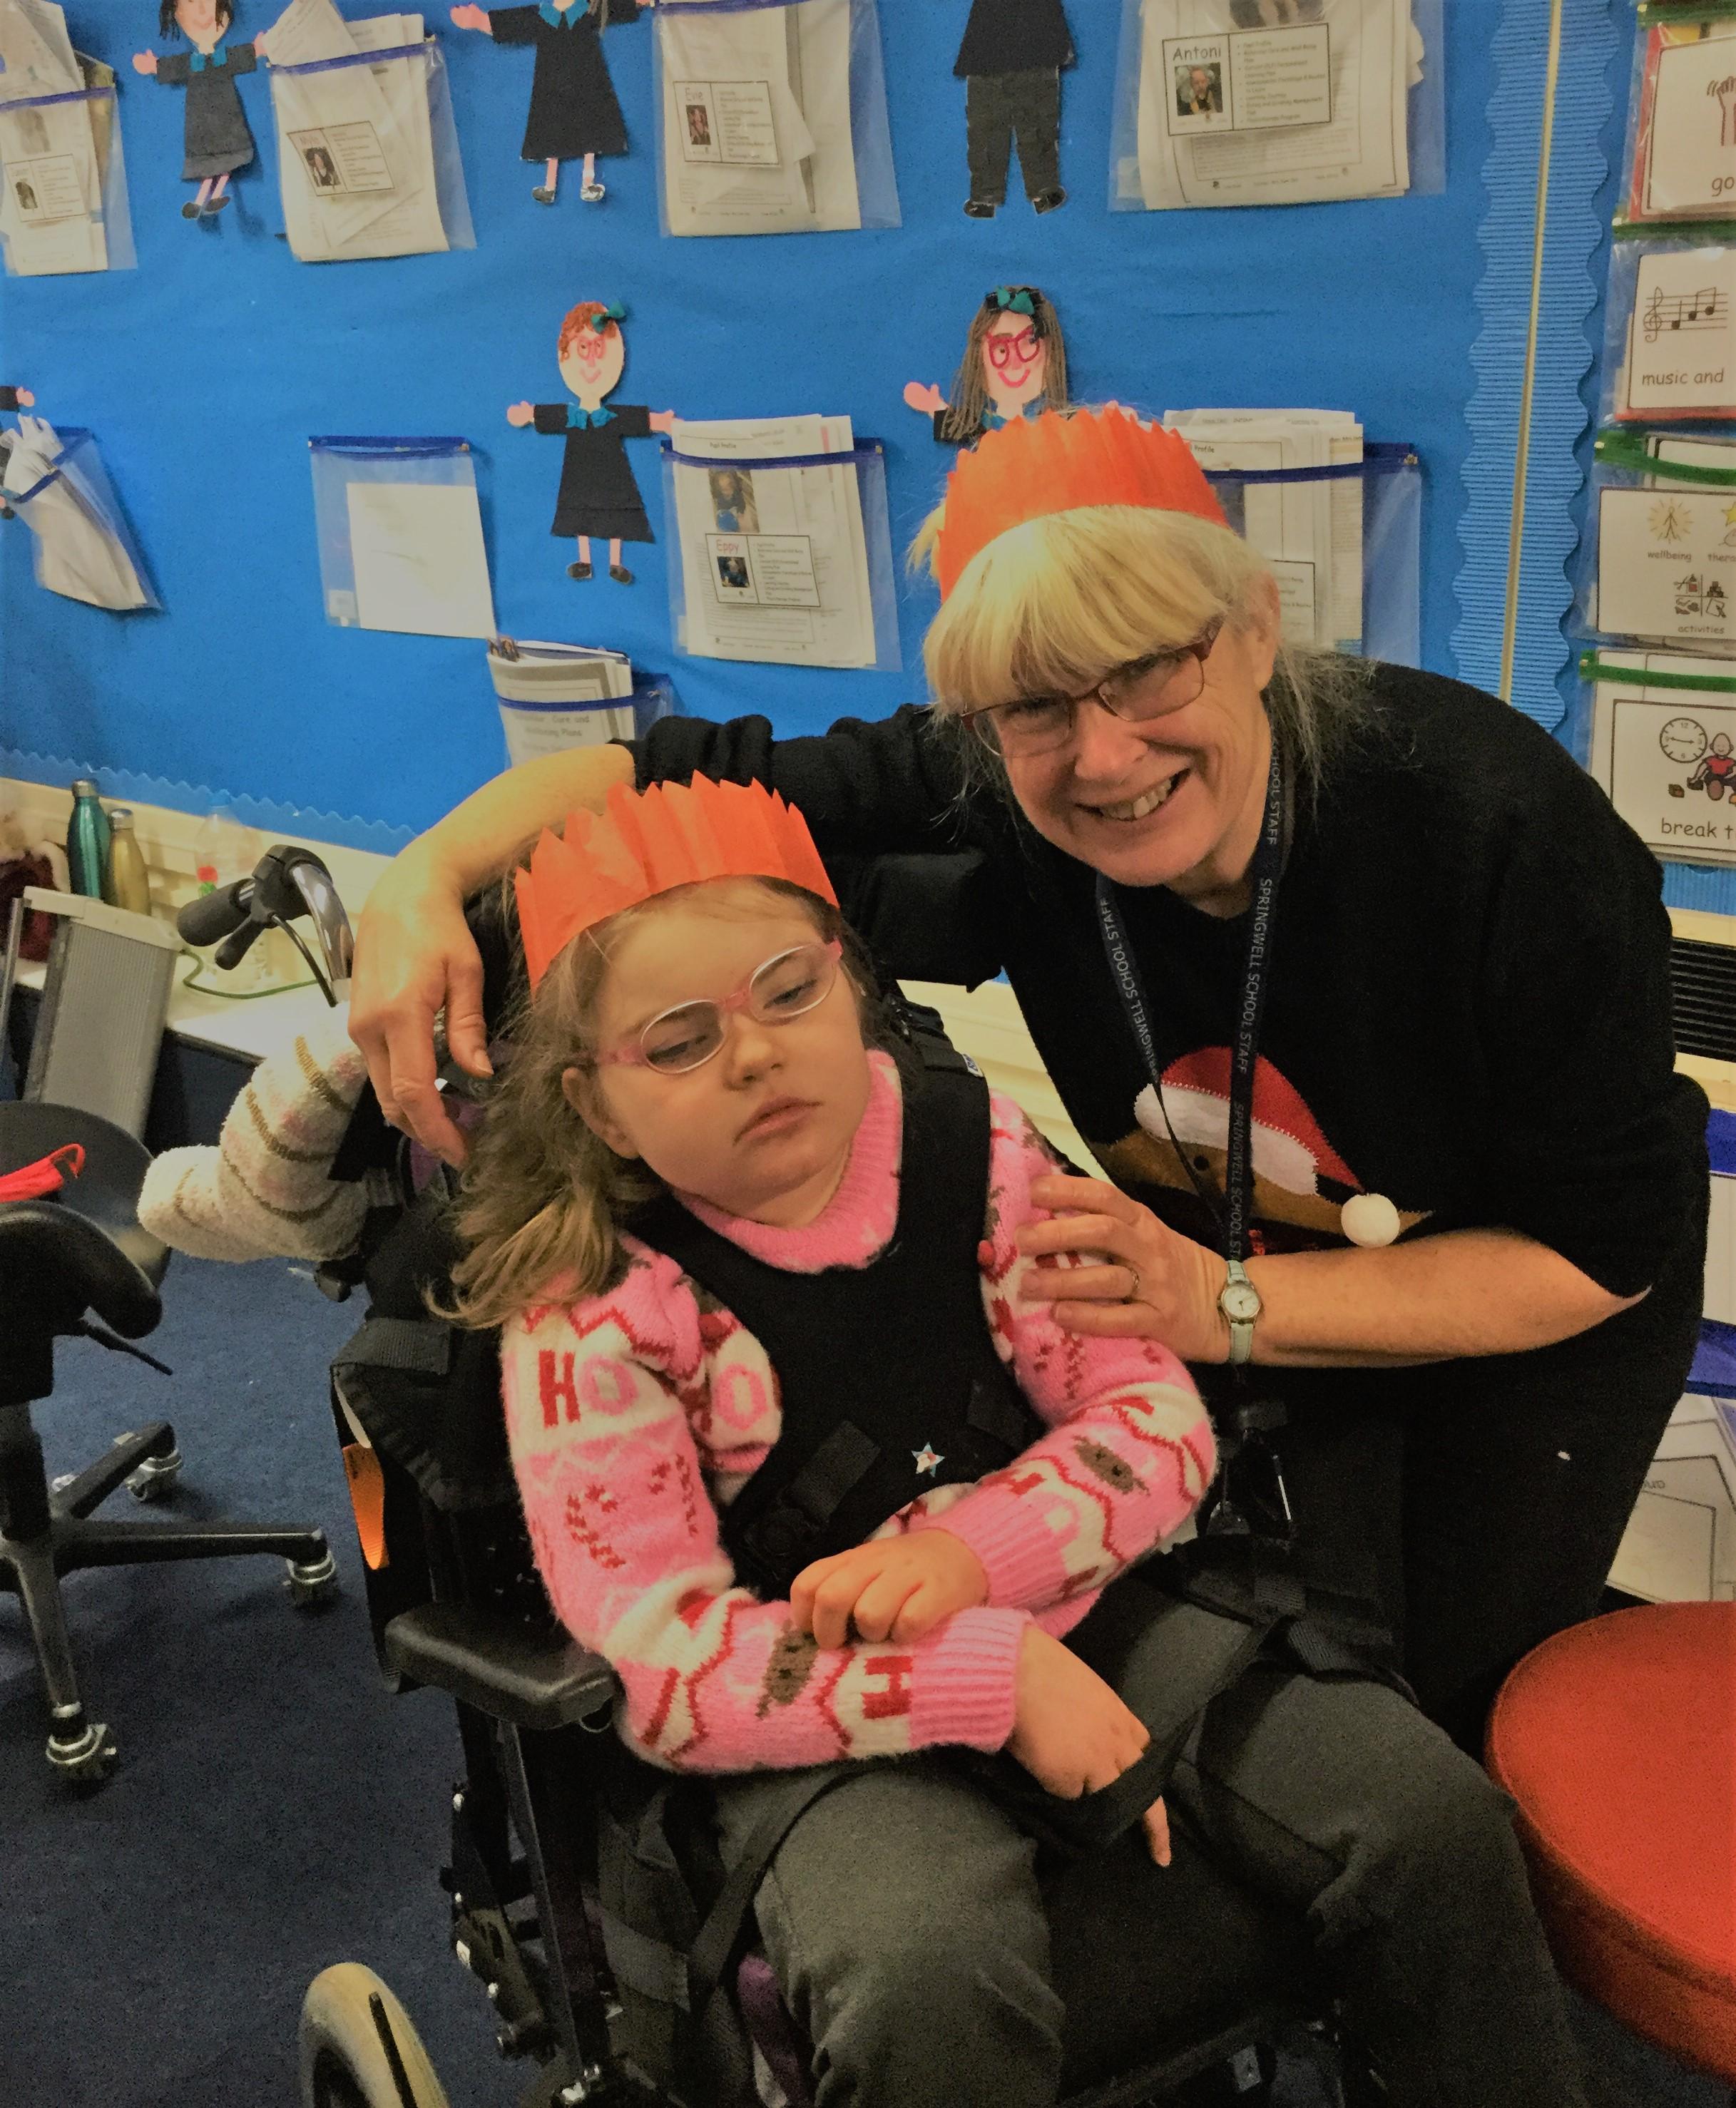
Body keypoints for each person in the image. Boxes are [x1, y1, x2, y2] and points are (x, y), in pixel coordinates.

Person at [349, 405, 1710, 1756]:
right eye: (1035, 706)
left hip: (1516, 1309)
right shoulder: (997, 781)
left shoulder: (1495, 831)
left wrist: (1220, 1302)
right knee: (1269, 1642)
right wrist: (422, 882)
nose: (1103, 756)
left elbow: (1596, 1254)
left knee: (1457, 1703)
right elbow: (658, 775)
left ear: (1251, 629)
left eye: (1149, 670)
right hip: (1213, 1260)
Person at [445, 772, 1590, 2108]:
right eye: (679, 1041)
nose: (753, 1054)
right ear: (594, 1105)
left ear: (845, 980)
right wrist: (984, 1675)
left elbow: (1153, 1422)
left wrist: (971, 1561)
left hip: (1078, 1599)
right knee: (926, 1976)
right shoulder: (589, 1314)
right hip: (810, 1709)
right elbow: (663, 1667)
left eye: (787, 991)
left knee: (1428, 1817)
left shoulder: (969, 1144)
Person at [508, 297, 675, 585]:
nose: (592, 361)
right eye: (583, 348)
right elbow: (550, 416)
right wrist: (529, 414)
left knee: (616, 508)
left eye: (598, 348)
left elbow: (635, 420)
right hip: (579, 470)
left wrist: (662, 422)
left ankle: (615, 563)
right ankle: (585, 560)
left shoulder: (611, 415)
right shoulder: (571, 415)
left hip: (612, 471)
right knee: (579, 507)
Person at [449, 0, 648, 206]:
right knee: (551, 125)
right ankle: (550, 185)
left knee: (590, 123)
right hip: (552, 84)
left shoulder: (588, 10)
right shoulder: (543, 15)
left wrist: (637, 3)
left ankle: (588, 181)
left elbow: (616, 7)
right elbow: (516, 23)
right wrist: (481, 21)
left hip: (586, 78)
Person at [132, 0, 264, 222]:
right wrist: (154, 66)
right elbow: (175, 67)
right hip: (200, 119)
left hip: (227, 116)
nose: (203, 11)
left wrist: (256, 49)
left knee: (227, 156)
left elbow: (240, 56)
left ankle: (216, 195)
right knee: (206, 160)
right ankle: (201, 200)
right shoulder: (191, 62)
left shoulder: (223, 57)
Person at [904, 284, 1071, 449]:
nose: (1015, 362)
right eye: (1001, 349)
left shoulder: (1051, 426)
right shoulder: (988, 423)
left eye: (1030, 343)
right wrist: (936, 407)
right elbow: (962, 428)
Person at [954, 0, 1073, 218]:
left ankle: (988, 197)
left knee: (994, 126)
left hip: (998, 43)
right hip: (1028, 41)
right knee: (1032, 124)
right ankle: (1040, 191)